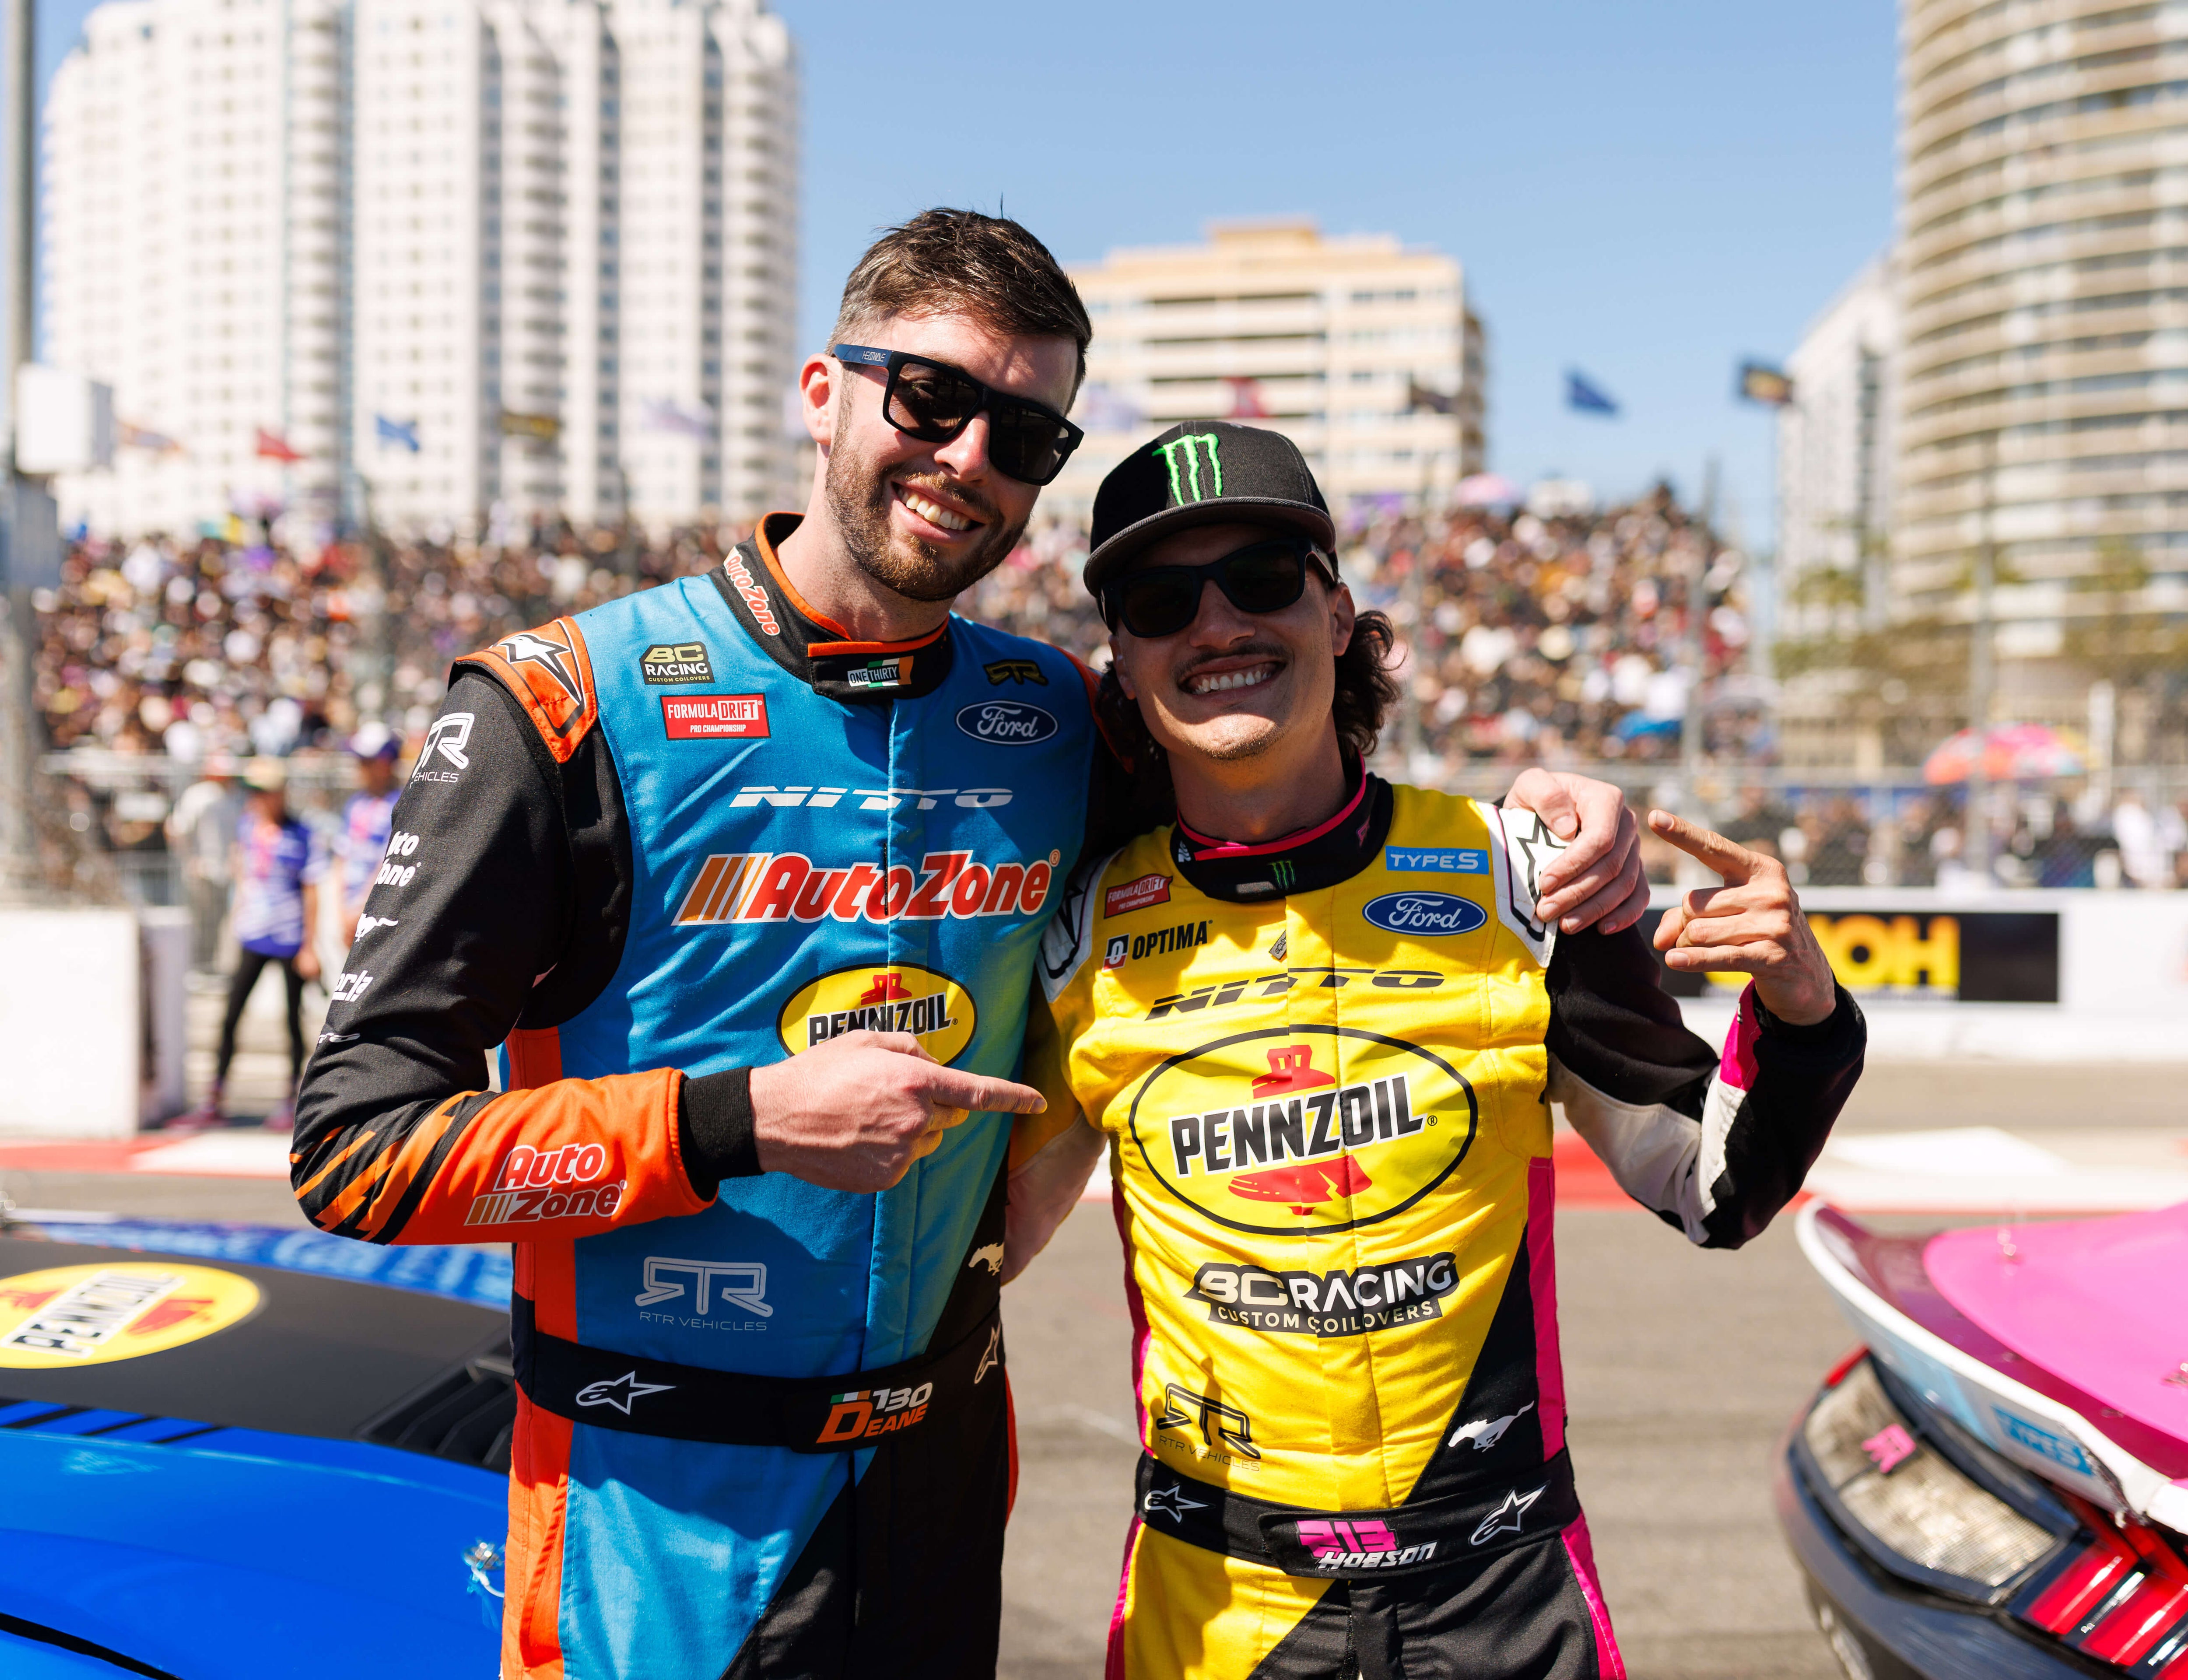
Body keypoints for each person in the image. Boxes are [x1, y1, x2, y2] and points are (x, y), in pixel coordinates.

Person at [291, 212, 1648, 1680]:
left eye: (1025, 434)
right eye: (929, 398)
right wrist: (738, 1121)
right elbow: (355, 1152)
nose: (967, 459)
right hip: (657, 1512)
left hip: (937, 1495)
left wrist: (1553, 809)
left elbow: (1293, 787)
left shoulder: (1063, 718)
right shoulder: (561, 706)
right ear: (825, 392)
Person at [1003, 421, 1867, 1680]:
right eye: (1160, 599)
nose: (1218, 624)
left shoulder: (1526, 877)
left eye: (1261, 580)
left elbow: (1715, 1189)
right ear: (1122, 661)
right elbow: (963, 1256)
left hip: (1503, 1593)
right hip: (1219, 1608)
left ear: (1340, 615)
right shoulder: (1078, 928)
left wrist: (1797, 1008)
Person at [198, 758, 324, 1129]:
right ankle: (215, 1097)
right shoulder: (248, 827)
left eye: (262, 791)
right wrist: (237, 915)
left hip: (289, 938)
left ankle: (291, 1099)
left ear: (279, 793)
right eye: (252, 791)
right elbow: (243, 870)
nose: (256, 798)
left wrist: (309, 946)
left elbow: (311, 891)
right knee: (230, 1016)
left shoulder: (301, 833)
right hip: (252, 935)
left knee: (292, 1020)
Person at [168, 753, 243, 971]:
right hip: (202, 870)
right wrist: (190, 859)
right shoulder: (198, 796)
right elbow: (178, 829)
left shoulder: (233, 798)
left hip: (224, 871)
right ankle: (195, 967)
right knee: (200, 921)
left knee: (218, 922)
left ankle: (208, 967)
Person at [334, 723, 401, 940]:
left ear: (384, 764)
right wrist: (342, 911)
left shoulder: (399, 804)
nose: (359, 767)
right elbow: (342, 858)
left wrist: (359, 912)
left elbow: (388, 863)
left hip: (380, 915)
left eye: (365, 761)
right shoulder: (355, 803)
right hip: (348, 912)